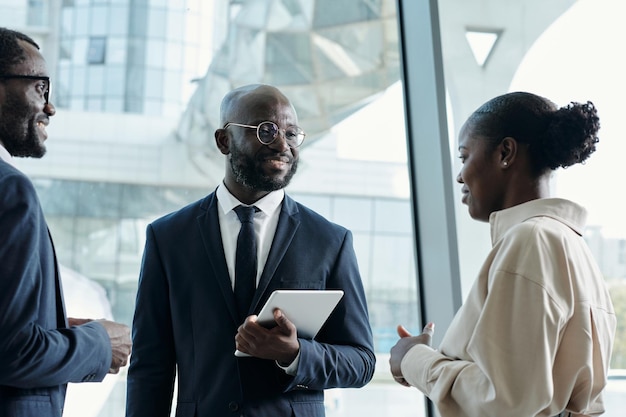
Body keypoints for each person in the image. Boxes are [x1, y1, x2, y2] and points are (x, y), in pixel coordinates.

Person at [126, 83, 376, 417]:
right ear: (224, 140)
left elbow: (361, 361)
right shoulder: (168, 237)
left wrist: (297, 354)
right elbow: (150, 367)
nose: (282, 143)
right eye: (266, 130)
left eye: (291, 133)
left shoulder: (330, 241)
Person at [389, 92, 616, 417]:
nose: (459, 176)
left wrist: (412, 359)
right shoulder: (574, 247)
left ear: (505, 152)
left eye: (464, 156)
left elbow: (502, 403)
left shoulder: (530, 241)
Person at [0, 27, 132, 417]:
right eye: (40, 87)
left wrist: (52, 324)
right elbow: (14, 352)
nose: (50, 107)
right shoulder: (10, 192)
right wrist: (99, 345)